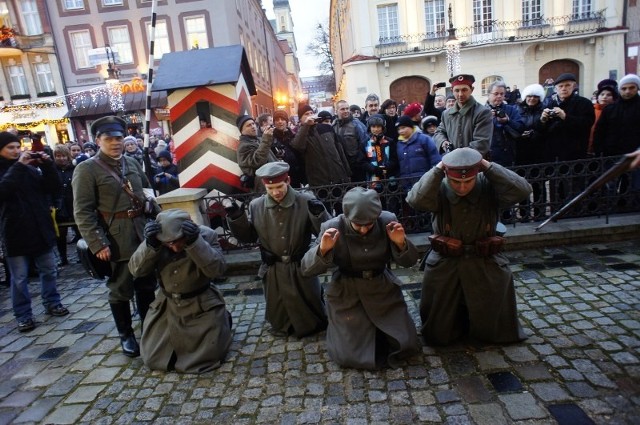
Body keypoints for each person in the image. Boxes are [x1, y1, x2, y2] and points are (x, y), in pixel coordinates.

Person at [406, 148, 532, 345]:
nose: (462, 187)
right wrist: (439, 168)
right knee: (438, 334)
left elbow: (522, 190)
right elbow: (415, 200)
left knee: (495, 328)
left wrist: (487, 166)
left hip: (484, 259)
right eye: (456, 182)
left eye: (468, 181)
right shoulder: (439, 187)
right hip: (446, 261)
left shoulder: (488, 185)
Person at [301, 186, 420, 369]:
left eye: (369, 225)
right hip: (347, 292)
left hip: (382, 290)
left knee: (406, 344)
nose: (364, 230)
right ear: (347, 216)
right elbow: (307, 269)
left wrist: (400, 243)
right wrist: (323, 250)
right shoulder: (332, 226)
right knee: (348, 355)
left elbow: (410, 261)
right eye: (358, 225)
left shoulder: (388, 221)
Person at [72, 116, 157, 357]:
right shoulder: (87, 169)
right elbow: (83, 211)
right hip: (116, 238)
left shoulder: (131, 162)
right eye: (108, 139)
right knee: (121, 287)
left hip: (142, 231)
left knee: (146, 284)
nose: (115, 143)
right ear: (97, 140)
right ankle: (126, 334)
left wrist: (153, 209)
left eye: (119, 138)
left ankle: (150, 328)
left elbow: (147, 191)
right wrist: (97, 243)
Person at [226, 162, 329, 337]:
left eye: (279, 186)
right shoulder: (256, 205)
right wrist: (237, 219)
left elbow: (325, 232)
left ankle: (311, 325)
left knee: (309, 307)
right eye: (270, 187)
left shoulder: (305, 201)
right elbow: (249, 237)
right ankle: (282, 326)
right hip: (273, 269)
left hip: (300, 267)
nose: (275, 192)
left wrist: (319, 215)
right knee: (278, 306)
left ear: (288, 180)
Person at [128, 209, 232, 373]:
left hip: (201, 303)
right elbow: (136, 270)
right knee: (153, 358)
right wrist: (150, 246)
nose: (175, 247)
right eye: (169, 243)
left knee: (208, 355)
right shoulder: (157, 239)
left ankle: (222, 319)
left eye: (179, 241)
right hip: (168, 306)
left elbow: (217, 270)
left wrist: (195, 243)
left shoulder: (207, 235)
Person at [0, 131, 69, 332]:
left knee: (49, 270)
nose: (15, 151)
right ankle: (23, 315)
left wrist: (48, 166)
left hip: (40, 228)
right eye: (10, 148)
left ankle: (52, 302)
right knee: (20, 278)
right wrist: (20, 165)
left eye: (17, 146)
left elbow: (52, 187)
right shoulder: (14, 169)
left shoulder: (29, 170)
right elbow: (4, 190)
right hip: (14, 232)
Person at [291, 105, 351, 187]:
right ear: (300, 119)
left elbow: (340, 151)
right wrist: (306, 126)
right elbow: (297, 146)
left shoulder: (327, 128)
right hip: (319, 182)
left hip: (339, 177)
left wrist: (348, 173)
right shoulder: (300, 134)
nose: (310, 116)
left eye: (311, 113)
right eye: (306, 114)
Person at [434, 74, 493, 157]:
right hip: (452, 163)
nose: (460, 94)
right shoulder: (446, 114)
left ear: (471, 90)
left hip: (476, 164)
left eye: (464, 90)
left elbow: (481, 143)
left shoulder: (482, 112)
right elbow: (439, 132)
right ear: (452, 90)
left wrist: (457, 156)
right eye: (457, 90)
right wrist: (443, 142)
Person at [540, 72, 595, 161]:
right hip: (552, 151)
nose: (564, 89)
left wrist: (565, 117)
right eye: (560, 86)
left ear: (574, 87)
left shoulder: (584, 103)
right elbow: (543, 130)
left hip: (574, 151)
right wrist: (543, 120)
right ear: (556, 89)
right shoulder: (550, 104)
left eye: (567, 85)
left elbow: (587, 123)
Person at [485, 81, 525, 166]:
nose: (499, 96)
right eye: (496, 93)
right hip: (488, 156)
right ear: (489, 94)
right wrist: (487, 119)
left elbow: (521, 128)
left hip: (508, 155)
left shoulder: (511, 109)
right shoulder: (481, 111)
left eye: (502, 94)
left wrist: (508, 121)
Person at [396, 115, 441, 191]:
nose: (401, 131)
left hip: (425, 184)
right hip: (407, 187)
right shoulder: (399, 144)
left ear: (411, 127)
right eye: (399, 129)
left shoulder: (424, 139)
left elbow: (435, 161)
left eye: (403, 128)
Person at [236, 114, 278, 192]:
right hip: (264, 187)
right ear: (242, 130)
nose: (253, 126)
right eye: (248, 125)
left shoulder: (259, 139)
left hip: (274, 181)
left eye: (253, 123)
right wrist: (266, 140)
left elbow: (270, 157)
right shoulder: (243, 147)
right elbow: (258, 161)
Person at [334, 99, 369, 182]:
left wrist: (359, 160)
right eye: (342, 109)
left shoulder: (356, 124)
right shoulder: (334, 126)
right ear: (336, 111)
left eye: (347, 108)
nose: (346, 111)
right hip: (341, 167)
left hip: (356, 167)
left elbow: (366, 142)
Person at [52, 144, 76, 266]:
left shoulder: (75, 169)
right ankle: (63, 258)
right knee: (60, 236)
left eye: (63, 156)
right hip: (59, 207)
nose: (61, 158)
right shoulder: (51, 171)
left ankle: (82, 256)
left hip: (74, 204)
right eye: (58, 156)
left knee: (80, 232)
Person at [271, 109, 306, 188]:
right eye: (277, 120)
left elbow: (301, 156)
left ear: (286, 121)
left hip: (296, 175)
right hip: (279, 177)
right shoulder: (270, 138)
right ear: (274, 122)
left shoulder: (294, 136)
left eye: (282, 119)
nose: (280, 122)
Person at [588, 79, 618, 156]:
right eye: (602, 94)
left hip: (607, 153)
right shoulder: (590, 109)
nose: (604, 97)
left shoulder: (616, 111)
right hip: (587, 151)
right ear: (597, 97)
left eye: (609, 95)